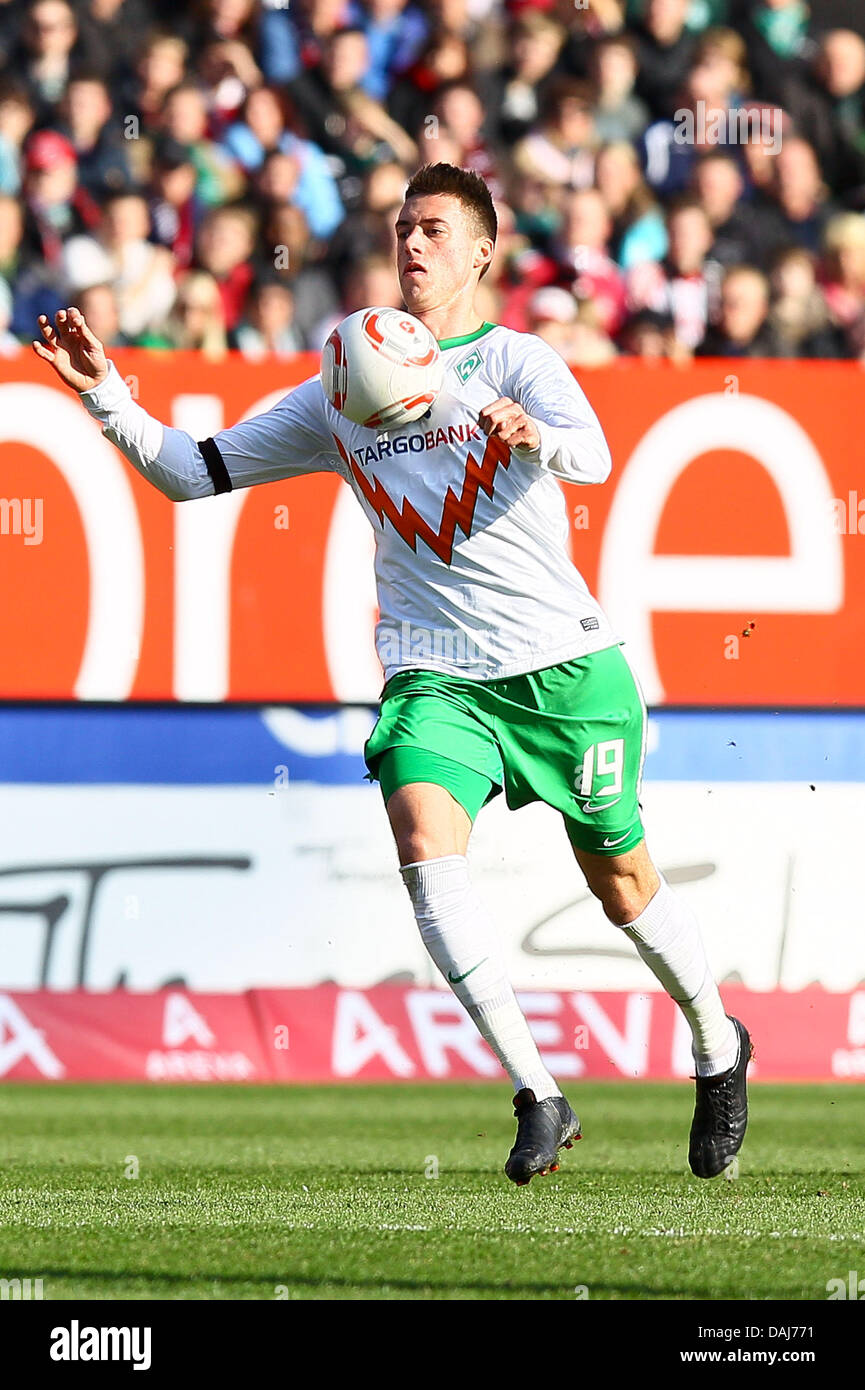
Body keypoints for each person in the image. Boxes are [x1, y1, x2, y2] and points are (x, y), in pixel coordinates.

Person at [31, 161, 751, 1186]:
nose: (413, 244)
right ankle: (536, 1092)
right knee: (422, 836)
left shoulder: (514, 359)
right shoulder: (343, 378)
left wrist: (531, 432)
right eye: (402, 227)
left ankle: (717, 1046)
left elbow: (591, 453)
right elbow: (193, 472)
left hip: (561, 667)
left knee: (620, 878)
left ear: (481, 252)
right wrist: (105, 393)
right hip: (435, 674)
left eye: (434, 229)